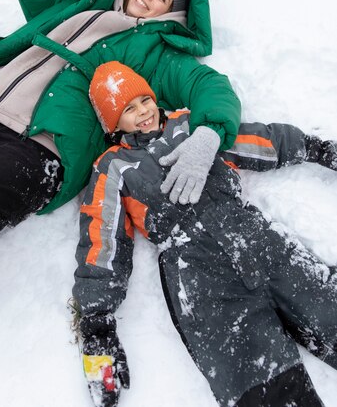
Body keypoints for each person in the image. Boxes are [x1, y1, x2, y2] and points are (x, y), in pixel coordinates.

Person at [0, 0, 241, 390]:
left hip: (37, 149)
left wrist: (210, 132)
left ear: (171, 15)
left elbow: (211, 86)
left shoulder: (155, 51)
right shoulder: (74, 10)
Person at [73, 61, 337, 407]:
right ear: (112, 125)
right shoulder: (113, 168)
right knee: (258, 378)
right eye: (127, 110)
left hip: (255, 238)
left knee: (325, 304)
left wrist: (314, 147)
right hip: (200, 276)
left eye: (144, 101)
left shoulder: (190, 126)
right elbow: (102, 239)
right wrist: (97, 322)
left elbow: (255, 141)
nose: (142, 113)